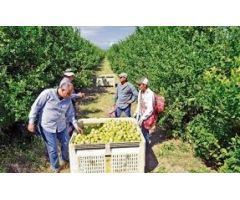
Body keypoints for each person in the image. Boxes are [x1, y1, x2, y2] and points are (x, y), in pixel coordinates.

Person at [27, 82, 82, 173]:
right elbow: (35, 107)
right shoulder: (47, 94)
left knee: (66, 143)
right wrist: (31, 122)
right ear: (62, 89)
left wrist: (76, 125)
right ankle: (55, 167)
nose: (69, 96)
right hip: (47, 126)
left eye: (70, 94)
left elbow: (71, 114)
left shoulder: (67, 99)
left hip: (61, 126)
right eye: (68, 93)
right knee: (53, 148)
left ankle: (65, 159)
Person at [134, 77, 155, 144]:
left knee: (145, 132)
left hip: (147, 116)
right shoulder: (140, 92)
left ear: (145, 85)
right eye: (138, 85)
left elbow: (150, 109)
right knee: (139, 130)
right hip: (141, 114)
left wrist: (142, 118)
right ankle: (143, 144)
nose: (138, 86)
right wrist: (136, 112)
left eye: (139, 85)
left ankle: (146, 146)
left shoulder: (150, 94)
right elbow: (139, 103)